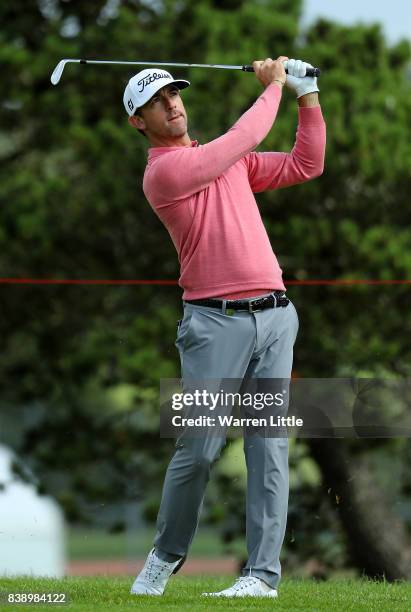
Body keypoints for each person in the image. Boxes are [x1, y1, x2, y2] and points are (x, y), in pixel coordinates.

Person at [124, 57, 326, 598]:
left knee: (268, 446)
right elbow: (245, 135)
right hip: (215, 325)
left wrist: (308, 97)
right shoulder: (164, 173)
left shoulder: (228, 161)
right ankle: (165, 557)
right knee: (200, 446)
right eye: (155, 102)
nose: (172, 104)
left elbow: (308, 163)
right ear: (138, 121)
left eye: (174, 94)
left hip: (276, 319)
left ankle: (261, 576)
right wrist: (277, 83)